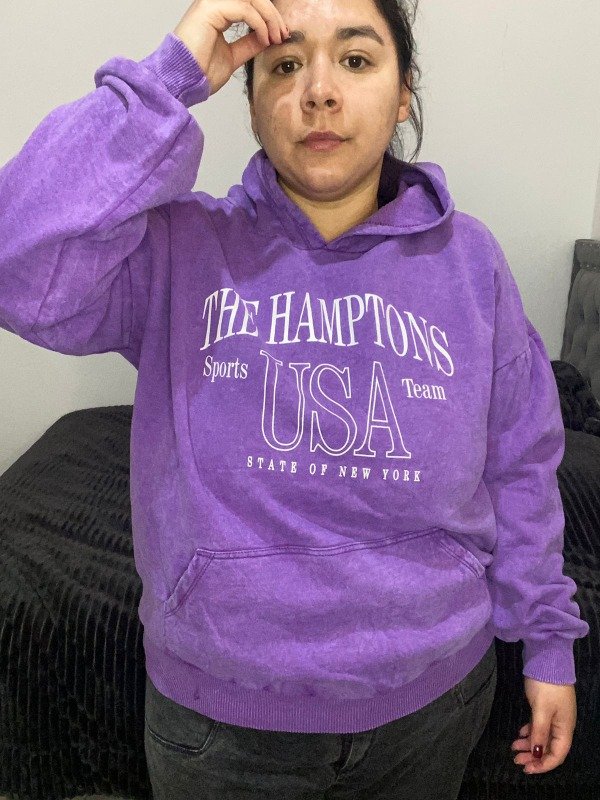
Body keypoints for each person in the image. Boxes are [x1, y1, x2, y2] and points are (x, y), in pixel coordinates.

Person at [0, 0, 590, 797]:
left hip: (433, 704)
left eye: (356, 59)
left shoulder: (470, 261)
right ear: (249, 103)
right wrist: (170, 76)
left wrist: (548, 640)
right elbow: (16, 263)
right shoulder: (179, 249)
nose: (318, 91)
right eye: (283, 66)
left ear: (404, 92)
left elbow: (521, 461)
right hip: (220, 725)